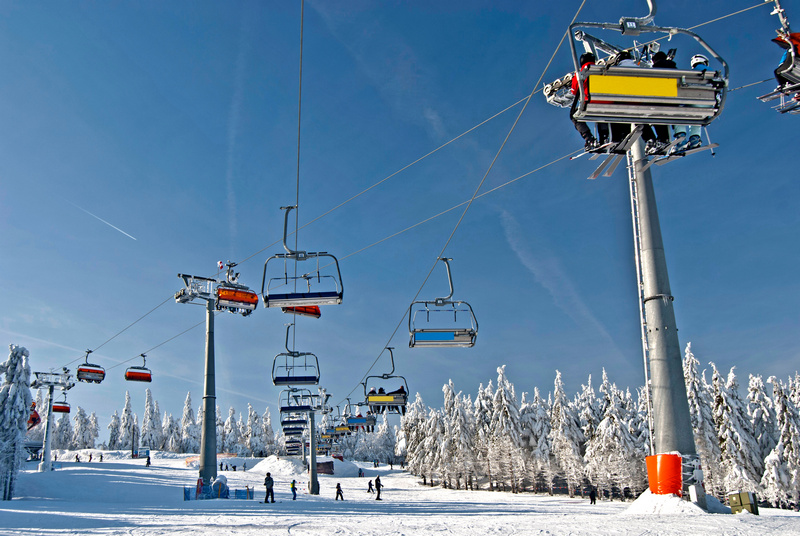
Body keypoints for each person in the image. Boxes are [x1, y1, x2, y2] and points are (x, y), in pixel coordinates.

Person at [570, 52, 609, 150]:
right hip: (607, 103)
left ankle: (589, 138)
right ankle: (604, 137)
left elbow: (574, 91)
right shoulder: (603, 70)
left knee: (573, 115)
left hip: (590, 103)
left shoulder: (580, 74)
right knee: (601, 112)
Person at [673, 54, 710, 151]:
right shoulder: (712, 72)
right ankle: (695, 139)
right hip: (709, 104)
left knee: (679, 112)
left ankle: (681, 139)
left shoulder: (690, 74)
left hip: (693, 101)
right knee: (697, 116)